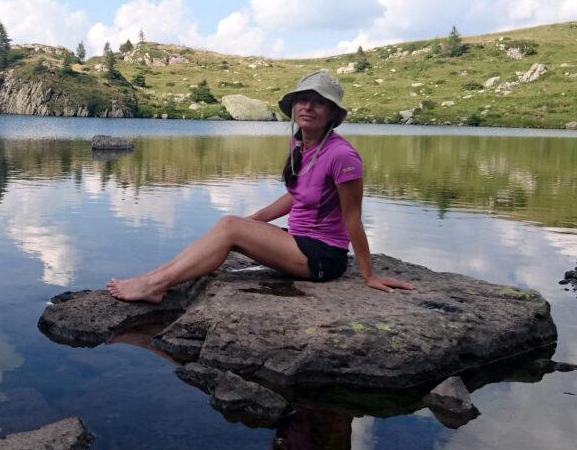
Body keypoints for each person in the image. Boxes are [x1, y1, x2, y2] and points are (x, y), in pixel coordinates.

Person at [107, 70, 413, 303]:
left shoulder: (342, 155)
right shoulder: (304, 147)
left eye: (319, 102)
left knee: (229, 227)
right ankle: (154, 278)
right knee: (228, 226)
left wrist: (368, 274)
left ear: (332, 113)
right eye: (303, 100)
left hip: (322, 257)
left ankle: (155, 286)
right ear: (294, 107)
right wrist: (251, 223)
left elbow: (352, 219)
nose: (308, 107)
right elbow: (295, 198)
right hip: (300, 242)